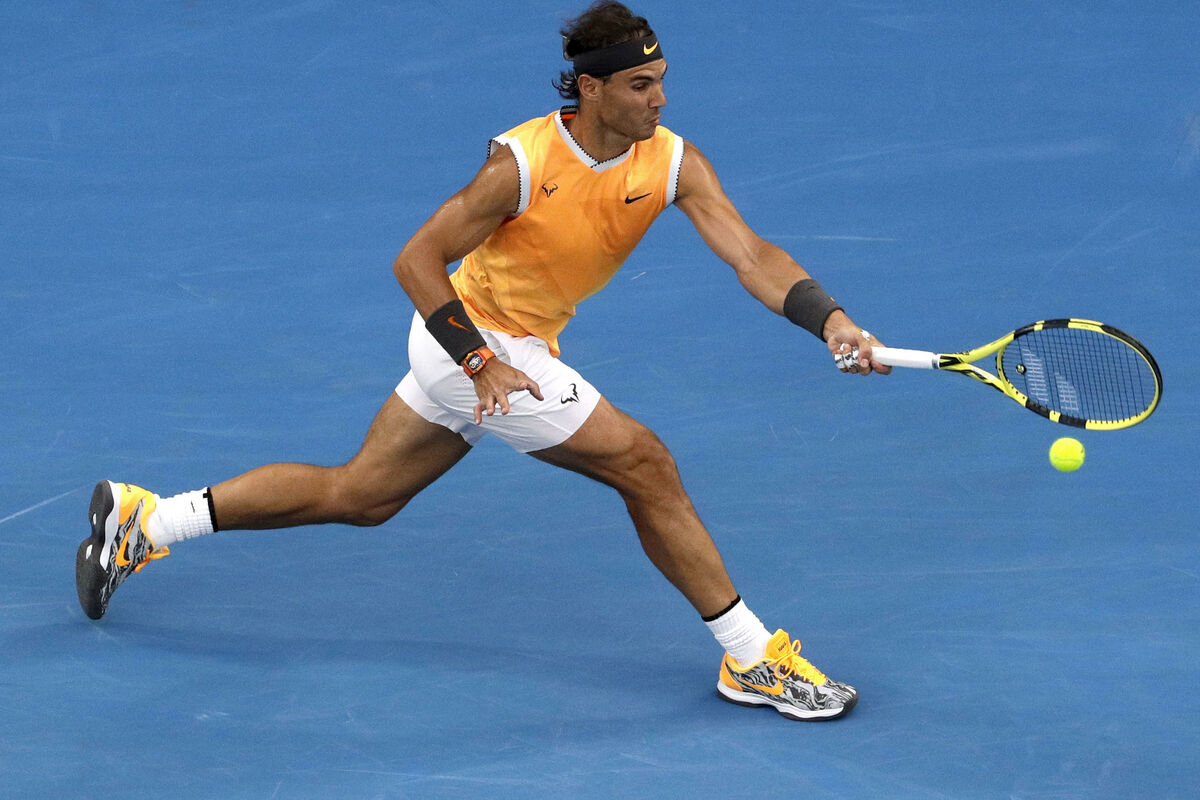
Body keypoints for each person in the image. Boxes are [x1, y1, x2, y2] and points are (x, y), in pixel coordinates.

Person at [76, 1, 888, 722]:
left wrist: (831, 321)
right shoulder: (522, 164)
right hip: (471, 342)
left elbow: (751, 255)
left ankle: (147, 521)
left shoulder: (673, 161)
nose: (661, 99)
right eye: (641, 85)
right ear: (592, 88)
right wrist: (478, 364)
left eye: (662, 81)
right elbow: (415, 260)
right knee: (645, 464)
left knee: (361, 494)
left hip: (510, 350)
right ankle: (751, 658)